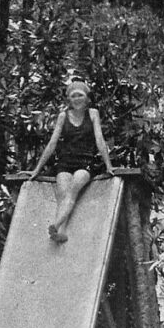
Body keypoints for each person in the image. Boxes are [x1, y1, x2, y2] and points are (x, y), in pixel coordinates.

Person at [26, 80, 116, 243]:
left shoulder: (93, 113)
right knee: (63, 193)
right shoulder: (63, 116)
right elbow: (52, 144)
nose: (77, 99)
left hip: (84, 162)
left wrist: (108, 165)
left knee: (73, 188)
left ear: (87, 98)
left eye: (80, 95)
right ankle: (61, 232)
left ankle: (56, 224)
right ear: (69, 99)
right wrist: (36, 170)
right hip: (65, 162)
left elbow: (100, 140)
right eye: (73, 96)